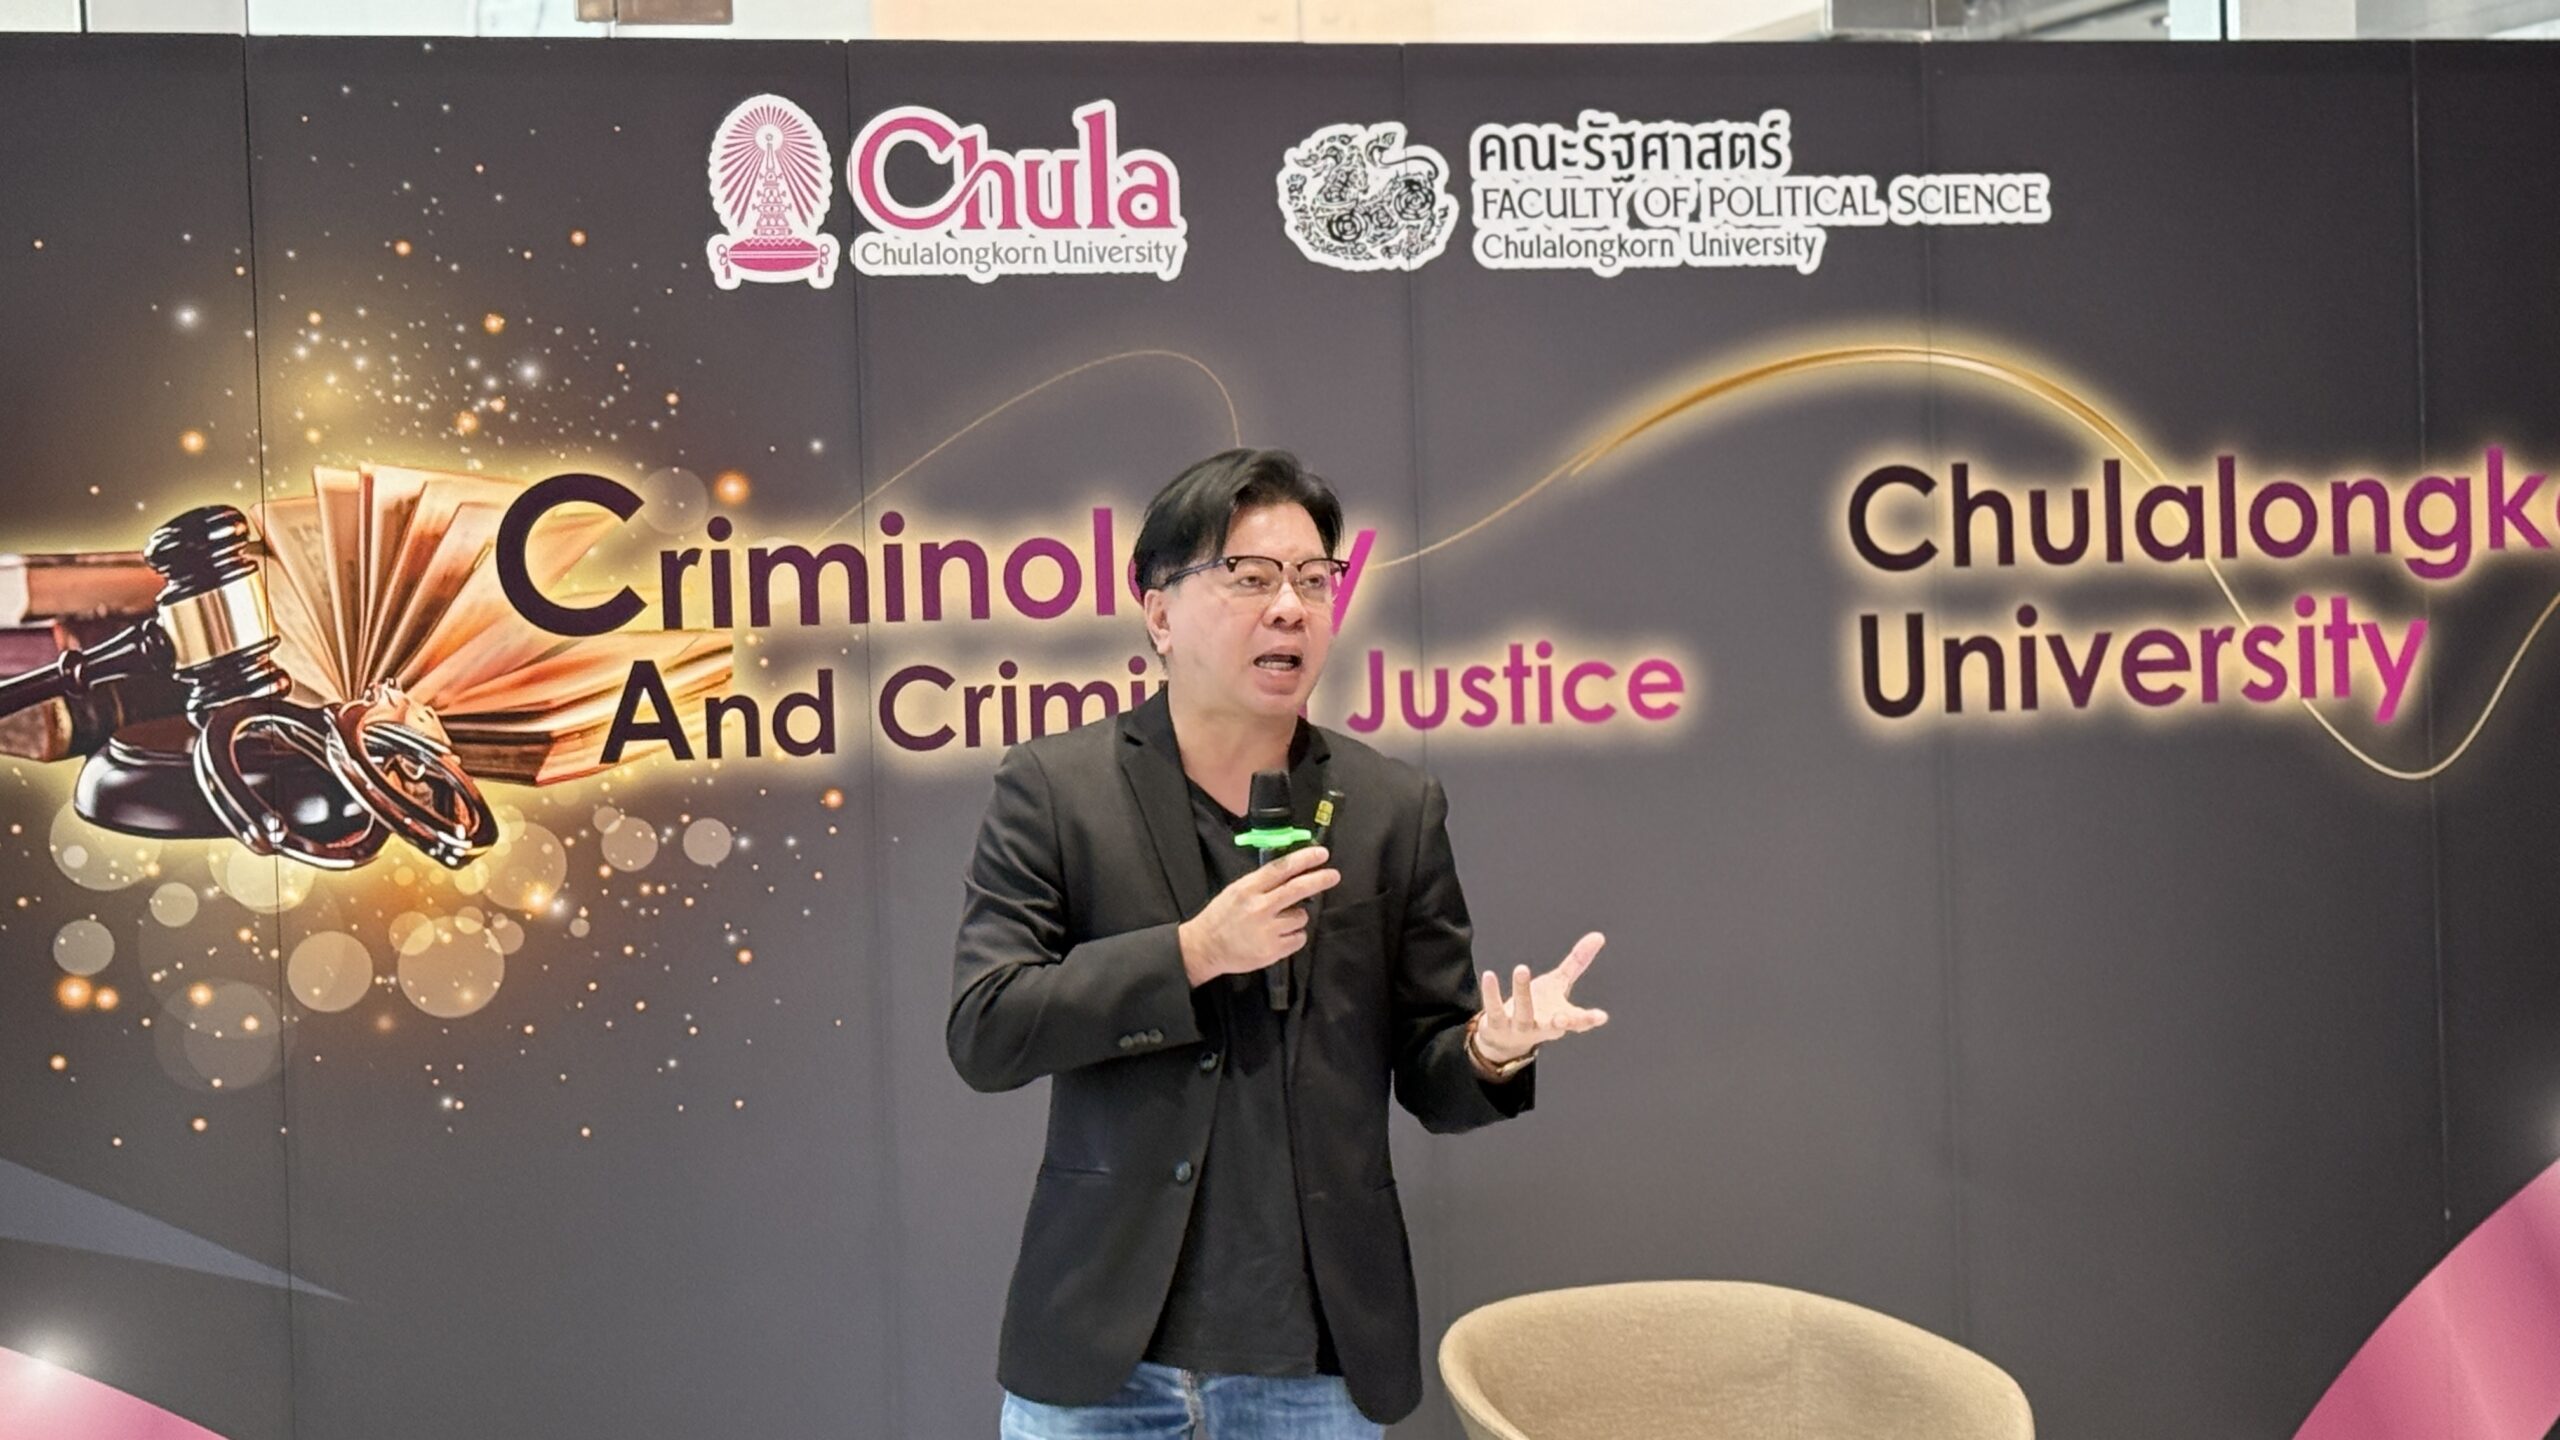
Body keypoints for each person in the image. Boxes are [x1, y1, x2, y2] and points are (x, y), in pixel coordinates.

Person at [948, 448, 1610, 1439]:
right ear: (1159, 611)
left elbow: (1432, 1071)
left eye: (1313, 579)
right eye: (1250, 578)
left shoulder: (1391, 807)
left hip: (1313, 1366)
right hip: (1103, 1358)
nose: (1291, 608)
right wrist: (1191, 952)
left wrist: (1491, 1049)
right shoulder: (1056, 789)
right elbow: (987, 1028)